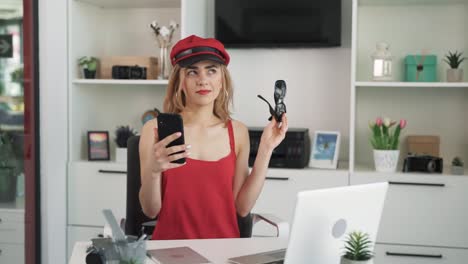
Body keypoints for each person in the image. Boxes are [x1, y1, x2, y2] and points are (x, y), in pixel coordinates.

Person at [139, 35, 288, 240]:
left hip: (224, 251)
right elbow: (150, 210)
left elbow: (243, 208)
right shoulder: (153, 130)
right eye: (192, 72)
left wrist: (266, 148)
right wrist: (154, 171)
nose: (203, 80)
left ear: (222, 80)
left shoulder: (238, 132)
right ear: (180, 82)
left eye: (211, 70)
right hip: (169, 251)